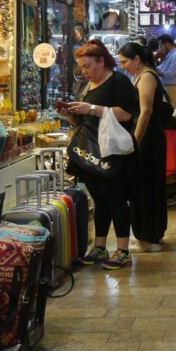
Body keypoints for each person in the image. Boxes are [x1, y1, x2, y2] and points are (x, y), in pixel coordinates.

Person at [64, 40, 140, 269]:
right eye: (81, 67)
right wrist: (70, 113)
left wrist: (93, 109)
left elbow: (127, 114)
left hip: (111, 151)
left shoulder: (118, 81)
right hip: (89, 151)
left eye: (88, 66)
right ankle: (99, 246)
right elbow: (82, 119)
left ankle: (123, 249)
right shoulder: (87, 87)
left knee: (116, 198)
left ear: (102, 61)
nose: (84, 71)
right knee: (100, 200)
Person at [119, 42, 169, 251]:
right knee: (147, 184)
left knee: (146, 186)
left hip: (148, 138)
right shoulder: (142, 76)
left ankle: (149, 236)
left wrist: (135, 141)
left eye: (124, 62)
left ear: (136, 60)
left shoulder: (147, 77)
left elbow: (145, 112)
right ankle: (150, 234)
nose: (123, 66)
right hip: (149, 137)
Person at [156, 34, 176, 105]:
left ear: (167, 44)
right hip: (166, 86)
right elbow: (161, 68)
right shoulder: (169, 54)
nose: (160, 48)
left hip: (171, 87)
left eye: (161, 46)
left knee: (171, 110)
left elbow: (170, 74)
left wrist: (156, 72)